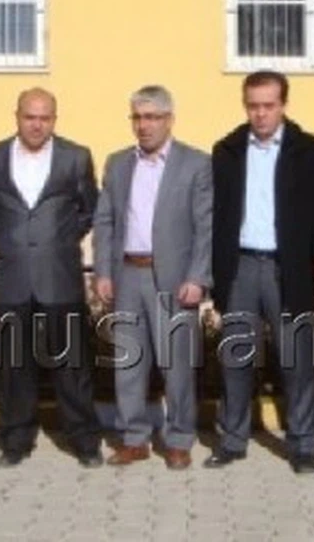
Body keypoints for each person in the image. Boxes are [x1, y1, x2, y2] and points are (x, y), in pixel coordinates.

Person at [0, 87, 104, 468]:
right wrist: (9, 239)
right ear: (17, 116)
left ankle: (84, 441)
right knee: (14, 364)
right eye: (30, 117)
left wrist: (58, 241)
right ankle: (15, 441)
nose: (37, 125)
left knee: (72, 362)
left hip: (59, 274)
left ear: (54, 120)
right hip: (13, 274)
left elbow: (88, 209)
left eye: (45, 118)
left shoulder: (75, 157)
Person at [206, 71, 314, 473]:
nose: (260, 114)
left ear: (283, 105)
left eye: (268, 106)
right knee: (236, 358)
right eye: (252, 106)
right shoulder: (226, 151)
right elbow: (216, 217)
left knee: (296, 361)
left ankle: (303, 444)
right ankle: (232, 440)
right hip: (240, 266)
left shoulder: (312, 152)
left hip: (288, 268)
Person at [93, 85, 212, 471]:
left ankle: (178, 439)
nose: (143, 126)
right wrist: (103, 271)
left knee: (176, 366)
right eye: (137, 117)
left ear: (169, 119)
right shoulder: (118, 163)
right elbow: (105, 220)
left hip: (174, 279)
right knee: (128, 364)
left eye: (152, 117)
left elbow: (205, 226)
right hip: (127, 274)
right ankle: (134, 438)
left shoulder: (195, 164)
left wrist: (198, 277)